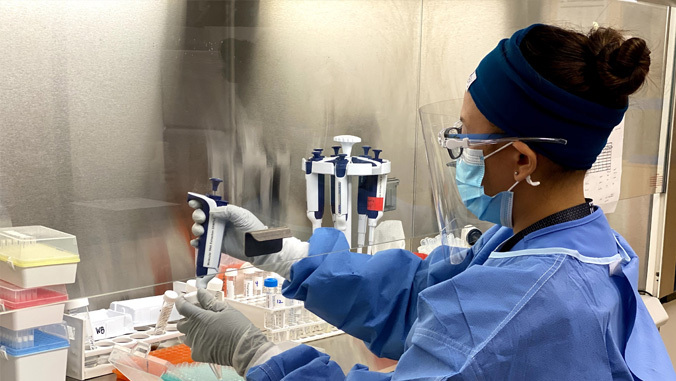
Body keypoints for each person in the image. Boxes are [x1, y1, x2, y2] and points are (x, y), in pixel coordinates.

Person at [175, 23, 676, 380]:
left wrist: (258, 353)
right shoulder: (568, 240)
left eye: (468, 141)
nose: (458, 153)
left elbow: (466, 327)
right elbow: (422, 296)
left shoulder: (524, 302)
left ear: (522, 161)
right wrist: (282, 255)